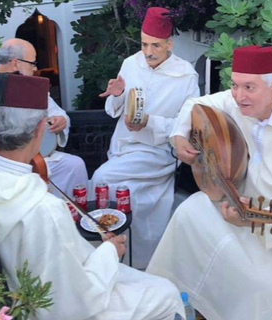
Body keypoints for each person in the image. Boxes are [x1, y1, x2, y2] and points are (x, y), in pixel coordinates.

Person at [0, 73, 185, 320]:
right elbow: (74, 302)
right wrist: (109, 252)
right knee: (166, 293)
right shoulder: (43, 209)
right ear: (41, 128)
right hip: (37, 307)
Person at [146, 45, 272, 320]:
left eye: (249, 87)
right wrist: (180, 136)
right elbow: (196, 105)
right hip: (243, 199)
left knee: (256, 280)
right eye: (235, 85)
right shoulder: (241, 100)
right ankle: (175, 304)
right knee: (189, 213)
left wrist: (253, 217)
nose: (239, 96)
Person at [90, 7, 200, 269]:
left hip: (157, 151)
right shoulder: (131, 63)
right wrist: (117, 95)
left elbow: (186, 127)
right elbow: (113, 110)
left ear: (169, 44)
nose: (148, 52)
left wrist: (149, 123)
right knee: (131, 197)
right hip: (123, 147)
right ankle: (124, 262)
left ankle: (107, 257)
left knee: (102, 180)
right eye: (144, 44)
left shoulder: (186, 76)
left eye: (156, 45)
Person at [0, 38, 87, 196]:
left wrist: (61, 121)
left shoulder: (30, 85)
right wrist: (9, 153)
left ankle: (74, 214)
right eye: (32, 63)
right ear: (16, 63)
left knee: (73, 165)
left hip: (34, 156)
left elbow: (58, 112)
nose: (34, 68)